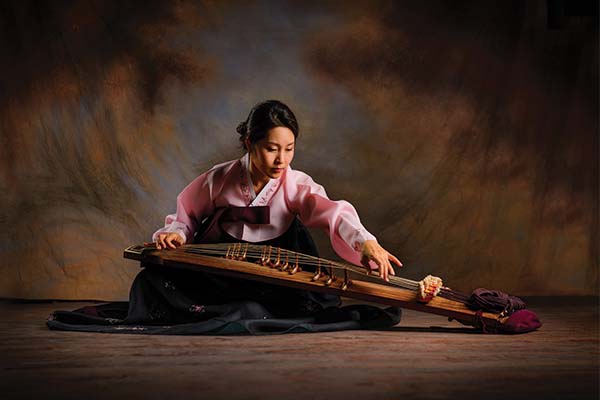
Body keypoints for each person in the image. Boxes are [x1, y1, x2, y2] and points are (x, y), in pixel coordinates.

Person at [46, 100, 403, 335]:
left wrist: (366, 243)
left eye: (289, 149)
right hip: (223, 268)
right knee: (151, 281)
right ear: (249, 142)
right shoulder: (219, 178)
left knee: (306, 301)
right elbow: (185, 214)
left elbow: (334, 212)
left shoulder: (297, 184)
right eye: (271, 149)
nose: (282, 160)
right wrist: (176, 235)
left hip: (273, 271)